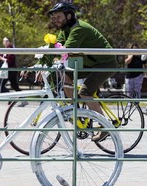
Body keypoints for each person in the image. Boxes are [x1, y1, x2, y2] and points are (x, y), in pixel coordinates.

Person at [48, 2, 118, 141]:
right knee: (65, 75)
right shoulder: (65, 30)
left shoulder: (79, 29)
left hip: (105, 64)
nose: (55, 19)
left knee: (85, 92)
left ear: (68, 16)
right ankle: (75, 111)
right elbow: (55, 49)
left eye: (58, 16)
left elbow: (65, 51)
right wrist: (41, 64)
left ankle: (105, 126)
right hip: (91, 64)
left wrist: (55, 57)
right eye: (54, 17)